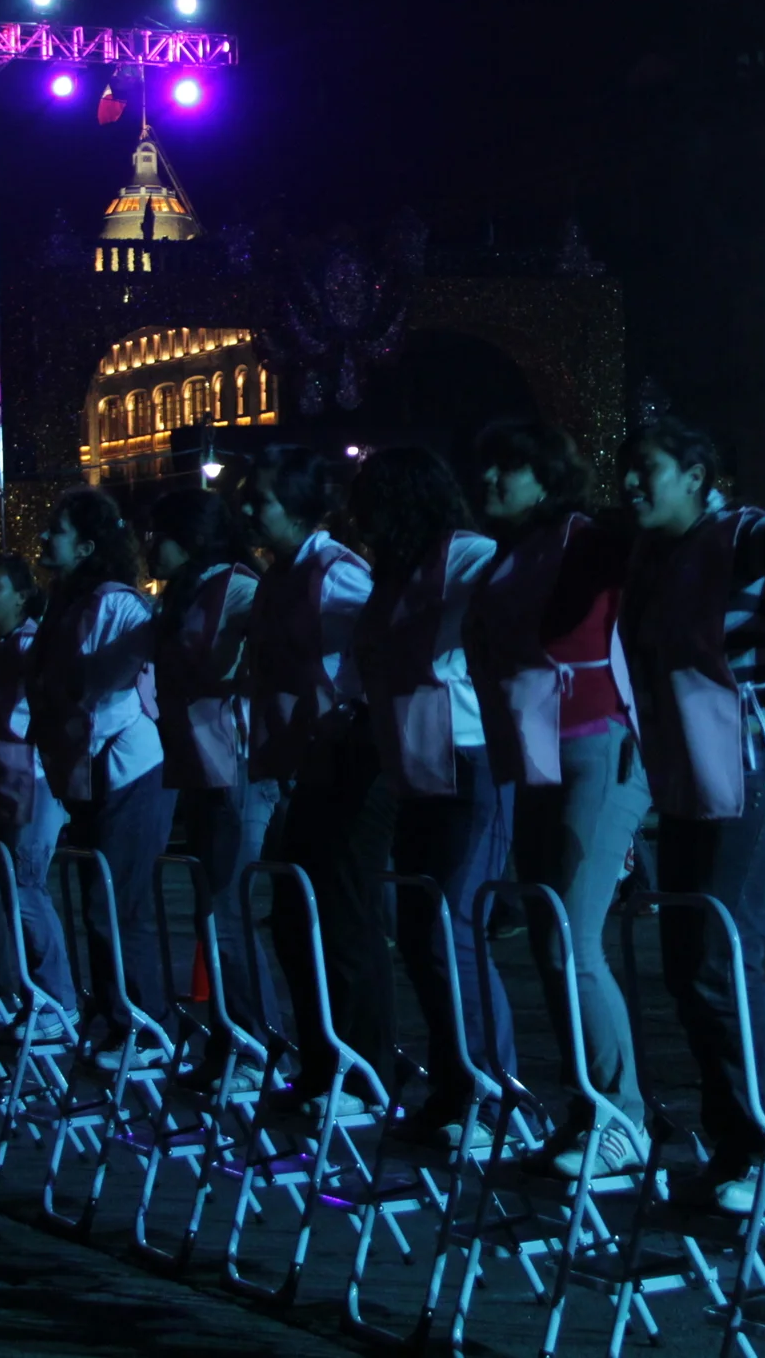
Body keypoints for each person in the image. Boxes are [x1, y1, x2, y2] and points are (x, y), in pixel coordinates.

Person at [616, 415, 765, 1214]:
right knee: (688, 968)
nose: (632, 483)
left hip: (757, 773)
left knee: (722, 960)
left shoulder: (736, 535)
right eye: (626, 469)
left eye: (650, 468)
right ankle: (740, 1143)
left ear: (700, 477)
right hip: (690, 782)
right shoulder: (648, 554)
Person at [469, 420, 651, 1177]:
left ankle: (623, 1116)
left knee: (571, 942)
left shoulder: (588, 539)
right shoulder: (507, 557)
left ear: (543, 478)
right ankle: (589, 1108)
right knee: (551, 942)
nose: (487, 483)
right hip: (537, 755)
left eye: (503, 469)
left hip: (597, 745)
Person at [349, 446, 513, 1144]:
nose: (362, 516)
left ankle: (493, 1091)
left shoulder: (468, 554)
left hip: (468, 757)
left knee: (451, 929)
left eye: (373, 501)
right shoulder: (396, 569)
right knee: (419, 932)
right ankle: (455, 1085)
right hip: (415, 766)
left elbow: (470, 642)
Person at [243, 447, 382, 1107]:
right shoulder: (280, 574)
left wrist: (346, 712)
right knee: (297, 913)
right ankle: (323, 1058)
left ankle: (360, 1069)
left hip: (347, 754)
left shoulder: (335, 572)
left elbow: (377, 642)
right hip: (304, 761)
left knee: (341, 913)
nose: (248, 510)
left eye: (261, 499)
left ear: (299, 507)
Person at [149, 485, 285, 1066]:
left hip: (237, 767)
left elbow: (276, 653)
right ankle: (238, 1040)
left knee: (227, 909)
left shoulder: (239, 588)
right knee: (212, 909)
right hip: (199, 768)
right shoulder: (187, 593)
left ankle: (258, 1048)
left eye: (161, 534)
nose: (150, 545)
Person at [30, 487, 174, 1032]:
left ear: (88, 546)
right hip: (89, 770)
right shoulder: (68, 600)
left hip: (128, 769)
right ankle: (114, 1015)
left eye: (57, 530)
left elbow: (108, 691)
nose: (45, 537)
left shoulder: (115, 603)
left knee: (115, 903)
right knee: (99, 897)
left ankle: (145, 1024)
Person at [0, 555, 77, 1029]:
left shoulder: (29, 645)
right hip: (4, 780)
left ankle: (60, 998)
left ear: (23, 596)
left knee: (28, 888)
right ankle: (32, 993)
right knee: (14, 888)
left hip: (33, 781)